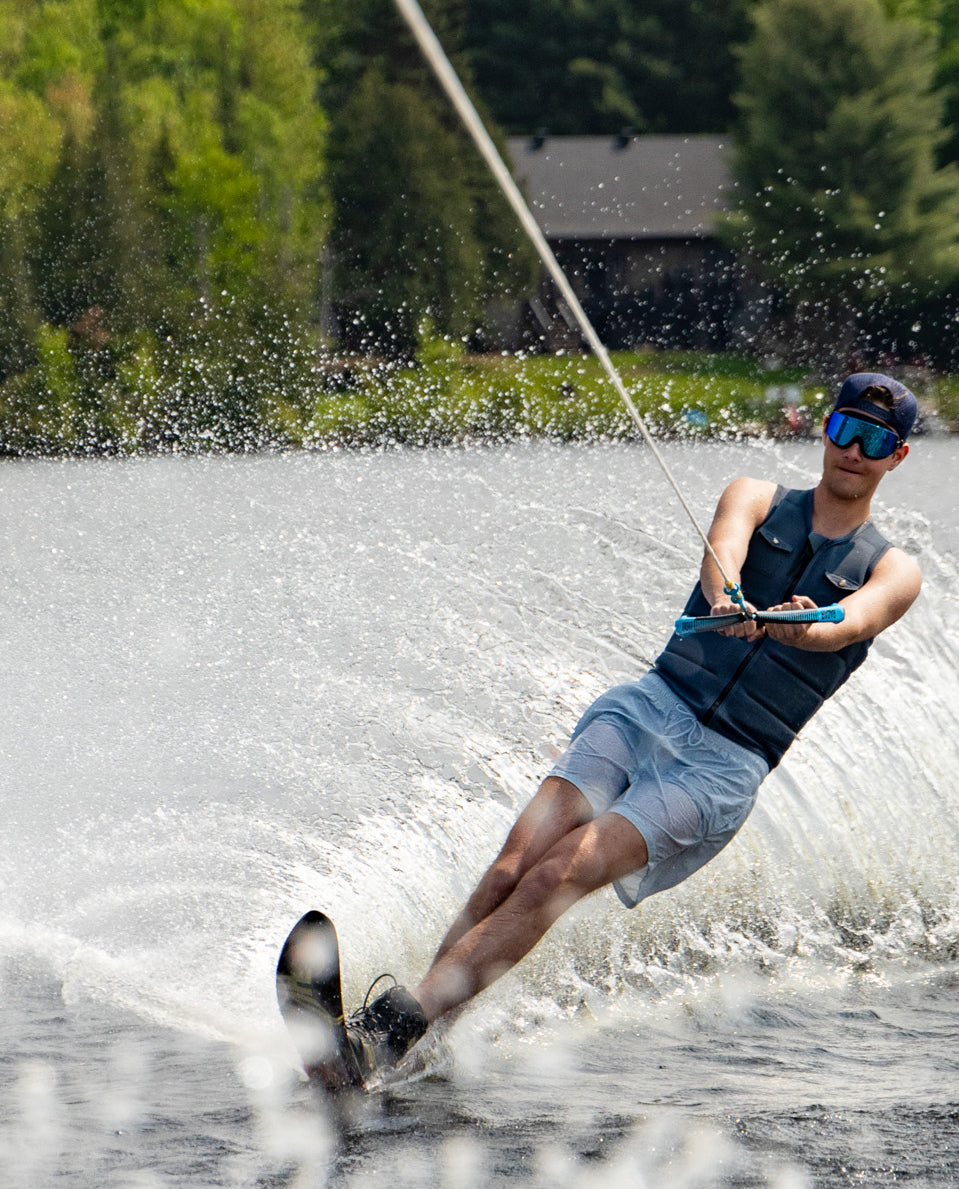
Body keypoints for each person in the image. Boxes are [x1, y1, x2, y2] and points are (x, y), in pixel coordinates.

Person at [337, 373, 924, 1085]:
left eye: (874, 441)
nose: (852, 451)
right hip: (652, 705)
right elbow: (722, 554)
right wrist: (730, 596)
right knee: (510, 867)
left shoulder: (894, 570)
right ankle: (409, 1047)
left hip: (721, 766)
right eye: (843, 431)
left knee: (558, 873)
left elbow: (851, 623)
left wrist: (796, 624)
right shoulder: (753, 494)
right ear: (822, 430)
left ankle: (383, 1030)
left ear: (895, 458)